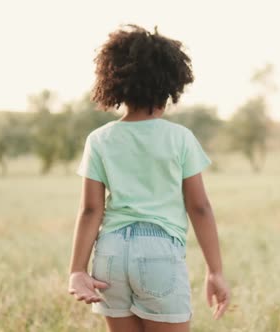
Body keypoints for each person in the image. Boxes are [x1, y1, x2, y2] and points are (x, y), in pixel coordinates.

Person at [67, 24, 230, 332]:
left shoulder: (100, 139)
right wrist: (215, 271)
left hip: (110, 254)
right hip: (158, 254)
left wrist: (77, 269)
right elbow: (199, 207)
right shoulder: (179, 138)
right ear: (170, 85)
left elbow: (91, 210)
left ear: (114, 83)